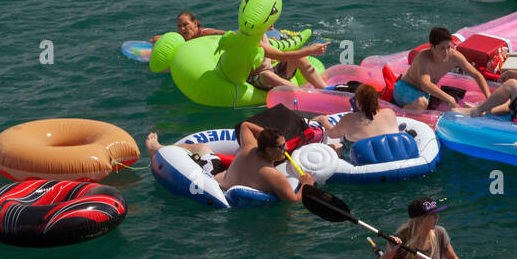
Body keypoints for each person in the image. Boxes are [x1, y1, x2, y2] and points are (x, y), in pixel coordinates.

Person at [145, 123, 316, 202]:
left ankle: (161, 147)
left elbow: (245, 126)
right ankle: (158, 148)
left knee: (201, 147)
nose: (286, 149)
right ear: (269, 150)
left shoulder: (250, 147)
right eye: (281, 146)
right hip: (216, 184)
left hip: (215, 176)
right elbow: (293, 201)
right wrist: (306, 184)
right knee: (201, 148)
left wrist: (266, 135)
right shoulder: (272, 174)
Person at [395, 28, 490, 111]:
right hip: (405, 88)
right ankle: (400, 111)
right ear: (432, 47)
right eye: (442, 48)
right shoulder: (423, 57)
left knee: (451, 106)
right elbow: (425, 85)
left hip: (424, 93)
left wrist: (489, 98)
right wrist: (448, 98)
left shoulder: (454, 56)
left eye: (448, 47)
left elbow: (477, 75)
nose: (446, 52)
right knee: (422, 103)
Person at [310, 84, 401, 155]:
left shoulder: (349, 118)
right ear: (377, 99)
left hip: (362, 156)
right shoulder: (390, 112)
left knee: (332, 147)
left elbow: (332, 134)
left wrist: (324, 120)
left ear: (357, 102)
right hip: (390, 151)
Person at [247, 34, 328, 91]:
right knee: (267, 75)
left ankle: (326, 90)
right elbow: (282, 56)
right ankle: (303, 94)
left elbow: (275, 57)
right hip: (257, 78)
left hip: (272, 71)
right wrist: (310, 50)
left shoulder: (263, 35)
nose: (272, 25)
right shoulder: (250, 39)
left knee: (299, 58)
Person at [150, 11, 225, 44]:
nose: (182, 28)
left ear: (195, 23)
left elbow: (218, 32)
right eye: (179, 26)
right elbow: (157, 38)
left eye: (185, 25)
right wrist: (155, 40)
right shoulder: (180, 35)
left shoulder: (203, 33)